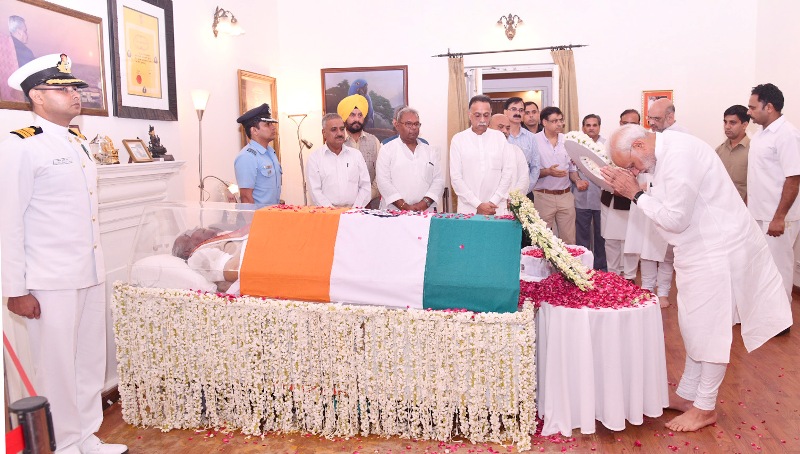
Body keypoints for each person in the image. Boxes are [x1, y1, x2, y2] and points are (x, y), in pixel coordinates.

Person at [601, 124, 792, 433]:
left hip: (717, 249)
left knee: (710, 330)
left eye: (632, 165)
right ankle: (688, 394)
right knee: (693, 325)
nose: (635, 171)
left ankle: (705, 407)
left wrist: (635, 193)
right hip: (697, 249)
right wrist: (637, 188)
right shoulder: (663, 154)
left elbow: (675, 219)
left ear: (639, 145)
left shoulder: (680, 155)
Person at [1, 54, 127, 453]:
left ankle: (85, 435)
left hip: (87, 270)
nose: (75, 94)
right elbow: (8, 221)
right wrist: (15, 288)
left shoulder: (76, 141)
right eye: (64, 89)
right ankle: (63, 444)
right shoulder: (21, 145)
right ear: (37, 96)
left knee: (88, 360)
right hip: (48, 278)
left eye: (75, 87)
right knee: (55, 366)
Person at [747, 83, 800, 320]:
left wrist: (779, 218)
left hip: (777, 217)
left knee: (779, 267)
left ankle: (781, 319)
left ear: (768, 107)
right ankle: (766, 316)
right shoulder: (761, 134)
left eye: (752, 107)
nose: (748, 112)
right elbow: (757, 177)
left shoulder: (787, 134)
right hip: (759, 213)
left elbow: (794, 178)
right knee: (761, 267)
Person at [449, 95, 513, 215]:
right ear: (469, 115)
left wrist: (494, 200)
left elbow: (508, 172)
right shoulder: (458, 139)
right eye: (477, 115)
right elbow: (456, 177)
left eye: (486, 115)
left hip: (496, 206)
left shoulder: (499, 137)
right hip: (469, 207)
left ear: (491, 114)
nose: (482, 119)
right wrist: (477, 204)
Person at [376, 107, 444, 212]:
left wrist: (423, 204)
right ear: (397, 126)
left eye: (416, 124)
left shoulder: (430, 151)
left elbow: (438, 180)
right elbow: (383, 182)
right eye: (408, 124)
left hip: (425, 211)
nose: (413, 128)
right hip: (395, 212)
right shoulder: (386, 150)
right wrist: (405, 207)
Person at [532, 106, 583, 244]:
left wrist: (577, 180)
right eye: (555, 121)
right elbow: (529, 171)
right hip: (543, 196)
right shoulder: (533, 141)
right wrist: (548, 172)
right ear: (544, 122)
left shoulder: (568, 141)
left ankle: (567, 260)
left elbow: (572, 169)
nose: (559, 124)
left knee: (569, 239)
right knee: (542, 240)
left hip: (565, 195)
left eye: (561, 120)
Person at [601, 109, 641, 281]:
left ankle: (630, 277)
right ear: (620, 123)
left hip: (633, 199)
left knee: (631, 241)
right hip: (610, 198)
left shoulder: (644, 145)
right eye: (625, 123)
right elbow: (601, 167)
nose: (628, 127)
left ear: (639, 125)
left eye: (633, 123)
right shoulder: (610, 142)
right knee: (611, 241)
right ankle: (613, 276)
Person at [306, 113, 371, 208]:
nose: (340, 133)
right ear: (324, 133)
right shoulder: (315, 158)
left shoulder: (356, 155)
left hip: (354, 211)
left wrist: (354, 210)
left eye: (342, 129)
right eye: (334, 130)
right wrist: (333, 212)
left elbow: (365, 187)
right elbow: (315, 191)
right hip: (326, 213)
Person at [572, 114, 606, 270]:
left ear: (599, 127)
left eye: (594, 125)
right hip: (581, 196)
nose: (591, 128)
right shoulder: (575, 145)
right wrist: (577, 180)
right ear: (583, 128)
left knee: (601, 236)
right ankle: (583, 268)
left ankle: (601, 269)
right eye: (588, 125)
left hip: (602, 198)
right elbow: (571, 168)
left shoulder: (606, 145)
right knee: (582, 235)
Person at [234, 103, 282, 207]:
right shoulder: (247, 157)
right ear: (254, 130)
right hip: (258, 216)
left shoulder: (270, 152)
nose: (273, 127)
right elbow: (246, 197)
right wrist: (252, 218)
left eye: (272, 124)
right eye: (267, 124)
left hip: (273, 213)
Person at [338, 94, 382, 208]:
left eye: (360, 115)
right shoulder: (337, 142)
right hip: (344, 205)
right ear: (344, 117)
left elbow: (381, 174)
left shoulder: (374, 141)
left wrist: (366, 196)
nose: (357, 119)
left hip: (371, 203)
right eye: (352, 115)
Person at [488, 113, 530, 214]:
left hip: (509, 206)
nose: (505, 131)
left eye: (507, 128)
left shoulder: (516, 151)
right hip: (487, 205)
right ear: (488, 127)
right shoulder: (481, 152)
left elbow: (524, 178)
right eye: (500, 127)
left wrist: (512, 198)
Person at [503, 97, 540, 194]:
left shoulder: (531, 138)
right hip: (501, 191)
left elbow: (535, 167)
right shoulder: (499, 135)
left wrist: (525, 189)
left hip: (525, 191)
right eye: (513, 109)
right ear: (505, 112)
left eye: (521, 110)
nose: (517, 113)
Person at [715, 105, 750, 201]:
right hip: (720, 205)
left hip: (744, 207)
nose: (727, 127)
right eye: (725, 122)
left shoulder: (753, 151)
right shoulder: (719, 150)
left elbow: (757, 184)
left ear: (744, 125)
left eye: (732, 123)